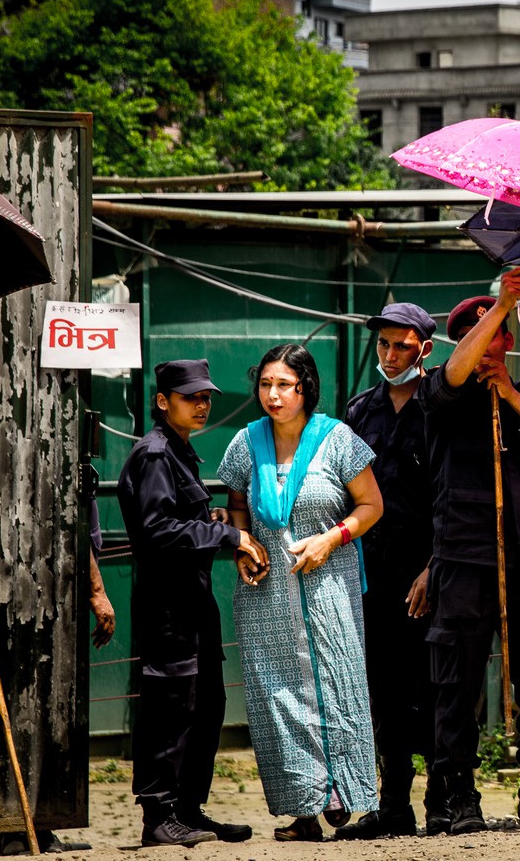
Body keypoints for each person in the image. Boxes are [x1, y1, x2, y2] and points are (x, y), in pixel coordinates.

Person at [419, 272, 520, 833]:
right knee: (456, 682)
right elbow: (457, 371)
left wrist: (511, 394)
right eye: (476, 334)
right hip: (463, 557)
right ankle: (458, 797)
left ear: (508, 342)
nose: (488, 343)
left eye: (497, 332)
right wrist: (503, 301)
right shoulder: (438, 391)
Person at [217, 343, 385, 842]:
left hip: (330, 588)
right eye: (265, 384)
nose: (272, 395)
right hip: (267, 595)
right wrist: (243, 545)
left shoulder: (338, 440)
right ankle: (303, 808)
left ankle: (346, 795)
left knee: (338, 684)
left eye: (284, 385)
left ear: (305, 388)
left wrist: (334, 538)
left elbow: (372, 505)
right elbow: (236, 507)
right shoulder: (245, 444)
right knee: (280, 697)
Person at [118, 360, 268, 848]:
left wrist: (214, 517)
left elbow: (180, 519)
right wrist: (230, 533)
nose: (201, 405)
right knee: (170, 708)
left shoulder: (181, 452)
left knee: (205, 706)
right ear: (163, 402)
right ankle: (158, 817)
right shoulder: (156, 455)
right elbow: (158, 531)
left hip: (194, 602)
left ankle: (187, 810)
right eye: (190, 397)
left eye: (206, 397)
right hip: (169, 608)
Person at [335, 304, 441, 840]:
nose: (391, 355)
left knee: (436, 689)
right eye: (383, 345)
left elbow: (453, 498)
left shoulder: (440, 406)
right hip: (372, 572)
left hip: (432, 573)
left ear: (425, 348)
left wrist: (433, 568)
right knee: (384, 692)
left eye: (402, 346)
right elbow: (341, 490)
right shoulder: (360, 412)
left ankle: (445, 804)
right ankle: (393, 805)